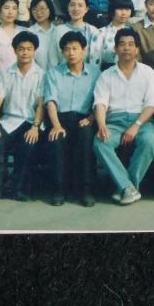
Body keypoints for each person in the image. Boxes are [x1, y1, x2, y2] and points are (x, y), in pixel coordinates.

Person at [92, 28, 154, 205]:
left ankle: (125, 187)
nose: (126, 48)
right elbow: (100, 103)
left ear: (137, 49)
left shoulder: (148, 72)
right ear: (115, 49)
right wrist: (102, 125)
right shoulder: (106, 75)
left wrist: (136, 125)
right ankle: (128, 187)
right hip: (114, 121)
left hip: (142, 121)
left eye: (131, 44)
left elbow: (151, 105)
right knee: (100, 143)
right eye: (122, 44)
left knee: (149, 141)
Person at [0, 30, 44, 201]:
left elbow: (41, 104)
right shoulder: (7, 73)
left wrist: (35, 127)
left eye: (29, 49)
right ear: (15, 50)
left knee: (29, 144)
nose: (25, 53)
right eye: (21, 49)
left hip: (30, 122)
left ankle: (18, 189)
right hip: (9, 121)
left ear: (34, 51)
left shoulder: (41, 74)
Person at [44, 30, 100, 207]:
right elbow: (50, 101)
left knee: (86, 136)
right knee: (56, 138)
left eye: (75, 48)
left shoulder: (95, 73)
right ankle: (59, 189)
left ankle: (86, 189)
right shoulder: (54, 73)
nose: (71, 53)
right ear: (62, 52)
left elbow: (100, 101)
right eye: (67, 49)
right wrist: (56, 125)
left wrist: (91, 118)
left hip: (85, 118)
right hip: (60, 118)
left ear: (84, 50)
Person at [49, 0, 100, 70]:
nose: (76, 9)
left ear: (86, 9)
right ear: (67, 7)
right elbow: (53, 59)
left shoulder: (93, 32)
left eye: (80, 5)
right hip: (61, 74)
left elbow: (96, 62)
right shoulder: (58, 30)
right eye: (72, 5)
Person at [93, 0, 136, 69]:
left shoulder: (133, 32)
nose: (124, 13)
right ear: (112, 10)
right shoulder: (100, 33)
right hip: (105, 72)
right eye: (120, 9)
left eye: (127, 9)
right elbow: (94, 61)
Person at [28, 0, 58, 70]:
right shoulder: (29, 33)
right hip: (36, 75)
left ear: (49, 9)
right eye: (34, 9)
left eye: (42, 8)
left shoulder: (57, 31)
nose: (38, 12)